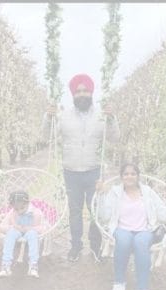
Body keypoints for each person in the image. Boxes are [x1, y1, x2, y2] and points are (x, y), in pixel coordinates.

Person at [44, 74, 120, 263]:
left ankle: (96, 246)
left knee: (96, 210)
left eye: (85, 90)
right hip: (71, 171)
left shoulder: (101, 115)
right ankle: (76, 246)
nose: (82, 94)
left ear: (91, 92)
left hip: (94, 170)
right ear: (73, 94)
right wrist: (48, 117)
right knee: (75, 210)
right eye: (78, 91)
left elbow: (114, 138)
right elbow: (48, 137)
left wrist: (112, 118)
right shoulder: (63, 116)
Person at [96, 163, 166, 290]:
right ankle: (119, 288)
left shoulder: (147, 192)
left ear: (138, 176)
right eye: (126, 174)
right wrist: (101, 194)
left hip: (145, 231)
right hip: (121, 229)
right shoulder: (114, 192)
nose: (129, 176)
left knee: (140, 242)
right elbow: (104, 216)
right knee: (124, 240)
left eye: (133, 173)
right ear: (121, 177)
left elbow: (165, 217)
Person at [0, 191, 49, 278]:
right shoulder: (12, 212)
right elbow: (1, 227)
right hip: (17, 230)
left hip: (30, 231)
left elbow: (43, 228)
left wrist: (31, 228)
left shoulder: (35, 213)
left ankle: (33, 265)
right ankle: (6, 265)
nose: (19, 211)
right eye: (16, 209)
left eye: (22, 208)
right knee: (10, 234)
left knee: (33, 235)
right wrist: (13, 226)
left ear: (28, 203)